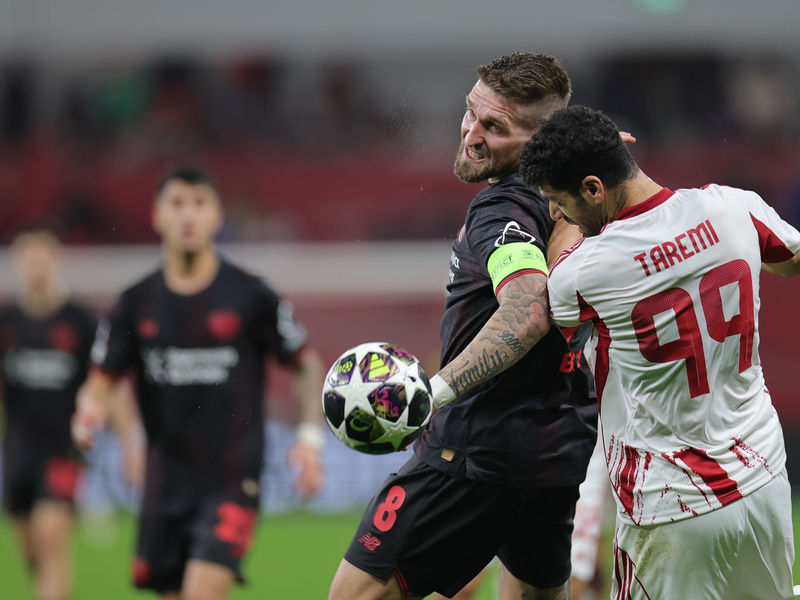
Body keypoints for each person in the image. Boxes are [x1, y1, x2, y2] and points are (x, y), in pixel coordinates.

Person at [330, 53, 600, 600]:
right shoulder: (582, 198)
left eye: (495, 127)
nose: (471, 134)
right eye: (471, 113)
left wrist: (435, 392)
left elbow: (526, 311)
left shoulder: (500, 208)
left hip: (474, 452)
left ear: (542, 138)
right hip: (557, 447)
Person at [520, 104, 800, 599]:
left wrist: (563, 233)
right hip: (764, 482)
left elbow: (546, 320)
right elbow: (791, 261)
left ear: (592, 188)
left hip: (670, 507)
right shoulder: (734, 206)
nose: (556, 213)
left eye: (557, 200)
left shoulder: (583, 273)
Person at [71, 166, 326, 600]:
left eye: (198, 204)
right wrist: (88, 412)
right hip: (164, 483)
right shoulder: (134, 303)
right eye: (176, 204)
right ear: (157, 216)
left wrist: (308, 438)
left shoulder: (251, 294)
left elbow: (305, 366)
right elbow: (99, 382)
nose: (187, 215)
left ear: (216, 215)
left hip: (231, 479)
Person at [0, 225, 98, 600]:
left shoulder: (79, 322)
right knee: (30, 549)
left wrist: (128, 440)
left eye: (43, 254)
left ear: (57, 259)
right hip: (17, 449)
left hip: (63, 449)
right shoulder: (7, 322)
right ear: (18, 262)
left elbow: (107, 383)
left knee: (51, 539)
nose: (36, 263)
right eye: (29, 255)